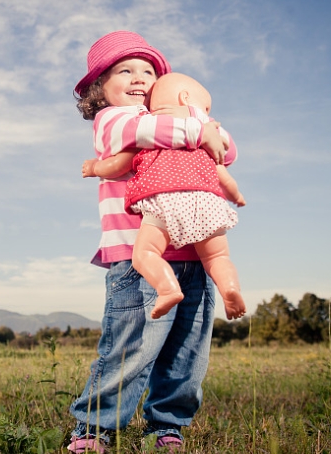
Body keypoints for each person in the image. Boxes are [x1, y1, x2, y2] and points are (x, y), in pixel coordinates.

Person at [68, 30, 234, 453]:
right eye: (125, 70)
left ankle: (166, 425)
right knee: (132, 348)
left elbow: (227, 152)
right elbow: (152, 130)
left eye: (149, 71)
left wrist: (205, 126)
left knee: (187, 352)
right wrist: (200, 128)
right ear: (98, 88)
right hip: (136, 257)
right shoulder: (115, 121)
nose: (140, 77)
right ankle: (95, 428)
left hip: (193, 255)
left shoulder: (180, 125)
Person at [82, 72, 247, 321]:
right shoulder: (207, 134)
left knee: (145, 254)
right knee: (218, 256)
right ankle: (230, 288)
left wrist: (95, 168)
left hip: (166, 203)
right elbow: (224, 171)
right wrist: (236, 196)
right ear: (187, 99)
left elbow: (119, 164)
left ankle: (167, 288)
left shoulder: (152, 131)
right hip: (210, 204)